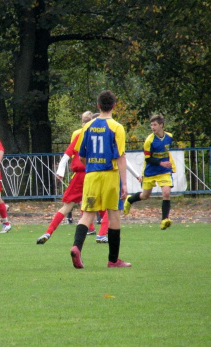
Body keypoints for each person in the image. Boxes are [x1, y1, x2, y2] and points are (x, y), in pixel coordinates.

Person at [70, 90, 131, 269]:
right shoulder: (117, 127)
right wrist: (125, 184)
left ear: (98, 106)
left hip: (92, 175)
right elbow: (120, 156)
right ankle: (113, 260)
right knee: (114, 216)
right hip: (110, 176)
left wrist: (91, 165)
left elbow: (81, 155)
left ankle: (76, 247)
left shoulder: (87, 127)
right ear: (114, 105)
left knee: (87, 214)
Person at [37, 111, 100, 245]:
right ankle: (102, 235)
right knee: (104, 206)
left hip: (80, 175)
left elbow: (67, 155)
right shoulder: (102, 135)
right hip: (95, 174)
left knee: (67, 206)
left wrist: (60, 171)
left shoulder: (80, 135)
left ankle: (48, 232)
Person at [124, 114, 175, 230]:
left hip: (164, 171)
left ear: (161, 125)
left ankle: (164, 220)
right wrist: (161, 162)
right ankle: (130, 199)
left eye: (155, 125)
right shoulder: (149, 140)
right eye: (151, 125)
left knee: (166, 193)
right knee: (145, 195)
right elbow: (148, 158)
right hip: (150, 171)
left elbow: (166, 152)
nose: (153, 127)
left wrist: (168, 163)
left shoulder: (169, 137)